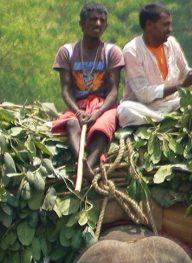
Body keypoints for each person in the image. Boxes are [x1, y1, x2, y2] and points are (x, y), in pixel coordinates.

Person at [51, 3, 124, 174]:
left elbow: (114, 91)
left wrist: (97, 114)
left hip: (103, 106)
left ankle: (88, 166)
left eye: (102, 21)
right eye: (93, 19)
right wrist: (77, 112)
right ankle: (80, 159)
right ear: (82, 24)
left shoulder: (112, 52)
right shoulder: (67, 52)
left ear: (106, 26)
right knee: (70, 123)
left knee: (102, 127)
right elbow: (66, 90)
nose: (98, 23)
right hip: (78, 106)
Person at [117, 3, 192, 128]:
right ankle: (167, 120)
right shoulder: (132, 50)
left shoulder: (172, 43)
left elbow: (186, 72)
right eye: (166, 25)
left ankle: (167, 119)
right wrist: (181, 85)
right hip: (145, 108)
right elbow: (143, 94)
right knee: (124, 109)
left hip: (173, 104)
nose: (170, 29)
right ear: (149, 25)